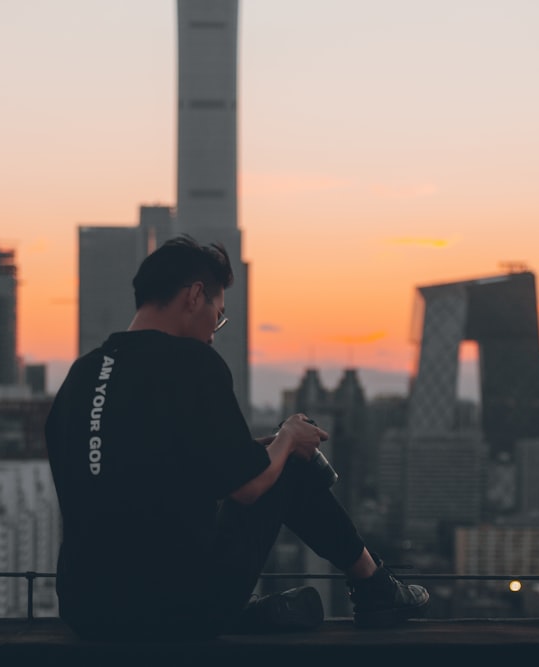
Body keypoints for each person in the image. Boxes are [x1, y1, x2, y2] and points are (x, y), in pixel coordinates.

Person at [45, 235, 428, 641]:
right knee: (290, 464)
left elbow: (127, 476)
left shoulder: (81, 374)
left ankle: (254, 612)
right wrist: (287, 437)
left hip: (85, 608)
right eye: (219, 314)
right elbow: (248, 488)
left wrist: (253, 451)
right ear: (195, 296)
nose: (214, 332)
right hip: (174, 609)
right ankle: (376, 589)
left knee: (271, 457)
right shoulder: (192, 361)